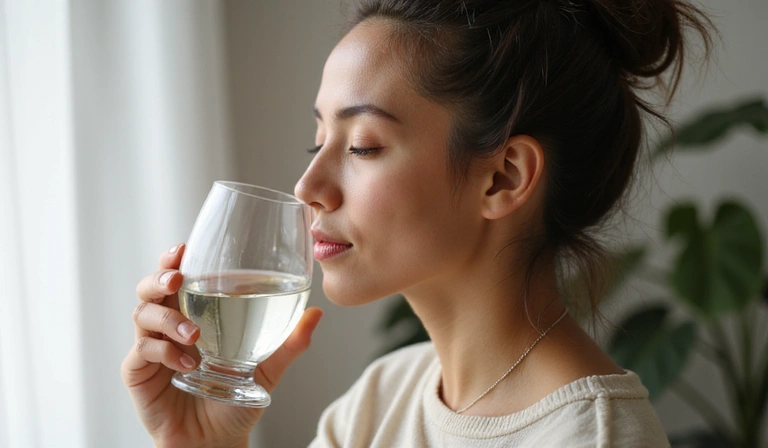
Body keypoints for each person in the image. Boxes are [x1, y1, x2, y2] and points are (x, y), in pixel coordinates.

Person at [122, 0, 716, 446]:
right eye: (318, 141)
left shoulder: (592, 437)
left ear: (503, 177)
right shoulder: (380, 404)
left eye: (362, 147)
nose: (307, 190)